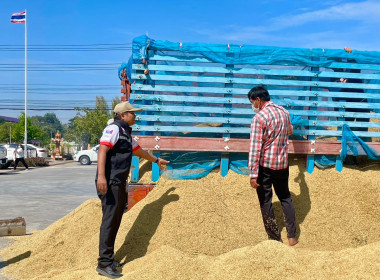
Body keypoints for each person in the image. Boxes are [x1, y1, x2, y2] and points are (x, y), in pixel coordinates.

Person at [95, 101, 169, 279]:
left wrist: (156, 160)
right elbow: (102, 150)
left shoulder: (125, 133)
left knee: (116, 219)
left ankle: (109, 259)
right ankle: (103, 263)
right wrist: (101, 177)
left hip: (119, 182)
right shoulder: (113, 129)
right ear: (122, 116)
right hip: (110, 181)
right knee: (110, 220)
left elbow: (140, 151)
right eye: (132, 113)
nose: (135, 115)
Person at [247, 85, 298, 246]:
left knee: (265, 201)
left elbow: (255, 148)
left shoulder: (259, 119)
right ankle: (292, 237)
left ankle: (274, 239)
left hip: (266, 166)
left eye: (252, 102)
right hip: (282, 164)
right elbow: (290, 131)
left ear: (258, 100)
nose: (252, 106)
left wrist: (253, 174)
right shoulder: (284, 112)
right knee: (285, 197)